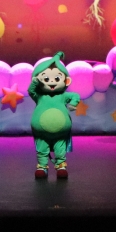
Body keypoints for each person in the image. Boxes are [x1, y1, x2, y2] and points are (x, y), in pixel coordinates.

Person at [28, 51, 80, 179]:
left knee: (60, 149)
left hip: (60, 133)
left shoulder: (63, 96)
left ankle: (61, 167)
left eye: (57, 78)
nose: (51, 82)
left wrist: (73, 103)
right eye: (46, 79)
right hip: (41, 133)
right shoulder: (39, 96)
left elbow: (75, 95)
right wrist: (35, 82)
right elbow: (31, 91)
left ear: (66, 81)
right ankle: (42, 167)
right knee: (42, 149)